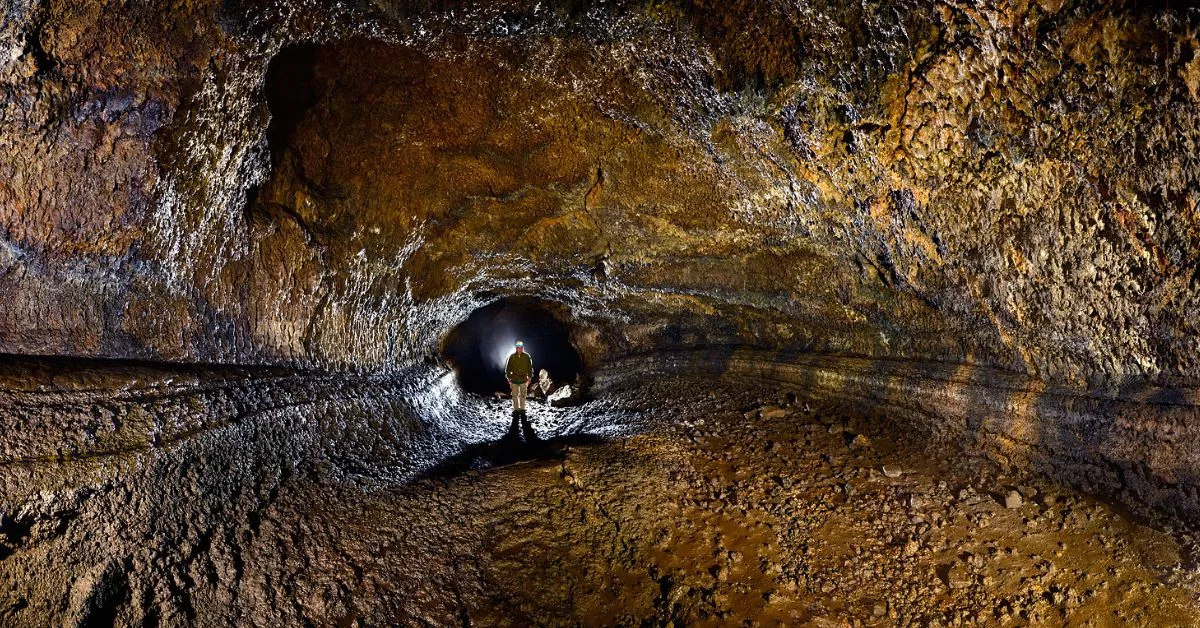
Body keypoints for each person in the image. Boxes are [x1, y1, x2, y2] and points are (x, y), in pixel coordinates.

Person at [505, 340, 534, 416]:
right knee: (514, 395)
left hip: (524, 379)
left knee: (523, 395)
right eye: (518, 347)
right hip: (514, 379)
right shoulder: (512, 357)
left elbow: (530, 368)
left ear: (523, 348)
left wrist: (530, 378)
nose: (519, 349)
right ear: (516, 348)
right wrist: (508, 378)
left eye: (521, 347)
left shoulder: (527, 356)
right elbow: (508, 368)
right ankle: (516, 409)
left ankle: (522, 409)